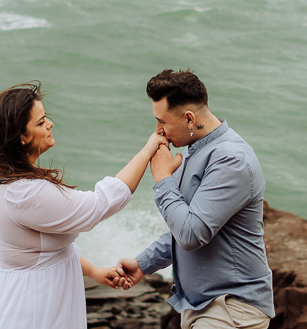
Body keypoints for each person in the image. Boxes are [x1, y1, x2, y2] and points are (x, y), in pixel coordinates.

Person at [0, 81, 168, 329]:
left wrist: (93, 271)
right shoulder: (26, 194)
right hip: (30, 311)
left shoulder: (9, 180)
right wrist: (147, 151)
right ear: (22, 137)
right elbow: (99, 204)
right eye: (40, 121)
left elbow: (43, 250)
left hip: (27, 299)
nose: (50, 124)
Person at [116, 69, 274, 329]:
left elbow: (191, 234)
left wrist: (163, 178)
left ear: (189, 118)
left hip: (231, 309)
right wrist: (144, 264)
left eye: (162, 121)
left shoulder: (230, 160)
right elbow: (186, 225)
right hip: (202, 307)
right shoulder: (197, 149)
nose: (159, 131)